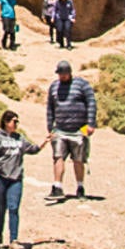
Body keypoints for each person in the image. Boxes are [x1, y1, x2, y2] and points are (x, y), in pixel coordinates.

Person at [0, 110, 45, 249]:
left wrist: (44, 143)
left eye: (17, 121)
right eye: (14, 121)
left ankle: (14, 240)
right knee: (0, 209)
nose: (16, 124)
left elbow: (32, 149)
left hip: (16, 179)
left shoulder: (19, 138)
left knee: (14, 208)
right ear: (6, 122)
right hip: (0, 179)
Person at [42, 61, 98, 204]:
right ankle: (57, 187)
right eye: (60, 74)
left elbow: (91, 102)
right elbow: (50, 107)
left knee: (78, 160)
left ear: (69, 73)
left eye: (64, 74)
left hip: (79, 129)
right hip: (60, 129)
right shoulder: (54, 86)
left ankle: (80, 187)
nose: (62, 77)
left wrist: (91, 124)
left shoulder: (82, 85)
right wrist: (50, 127)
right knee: (58, 157)